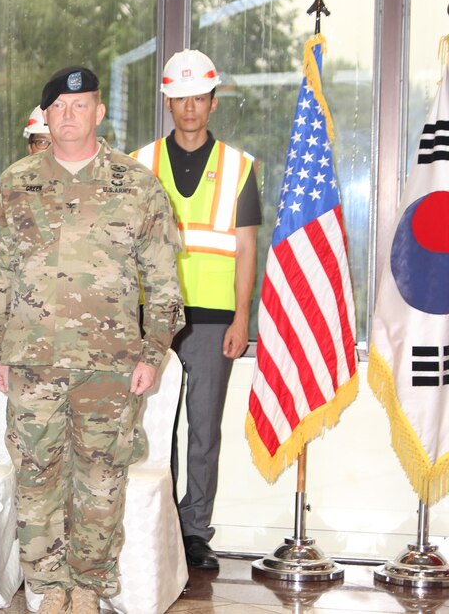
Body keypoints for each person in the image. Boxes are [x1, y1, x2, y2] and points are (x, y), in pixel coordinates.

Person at [0, 66, 184, 614]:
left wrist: (154, 351)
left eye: (81, 105)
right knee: (36, 477)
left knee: (101, 479)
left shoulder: (137, 185)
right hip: (31, 362)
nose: (69, 115)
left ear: (99, 113)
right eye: (58, 108)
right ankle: (49, 588)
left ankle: (88, 587)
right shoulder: (15, 184)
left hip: (111, 364)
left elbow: (163, 278)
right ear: (45, 116)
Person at [131, 49, 261, 571]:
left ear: (212, 102)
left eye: (198, 97)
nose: (189, 106)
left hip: (212, 318)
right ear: (168, 102)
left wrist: (241, 318)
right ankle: (153, 522)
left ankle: (194, 531)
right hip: (150, 319)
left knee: (204, 428)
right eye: (179, 97)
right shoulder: (139, 164)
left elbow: (247, 247)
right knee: (155, 425)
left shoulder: (239, 166)